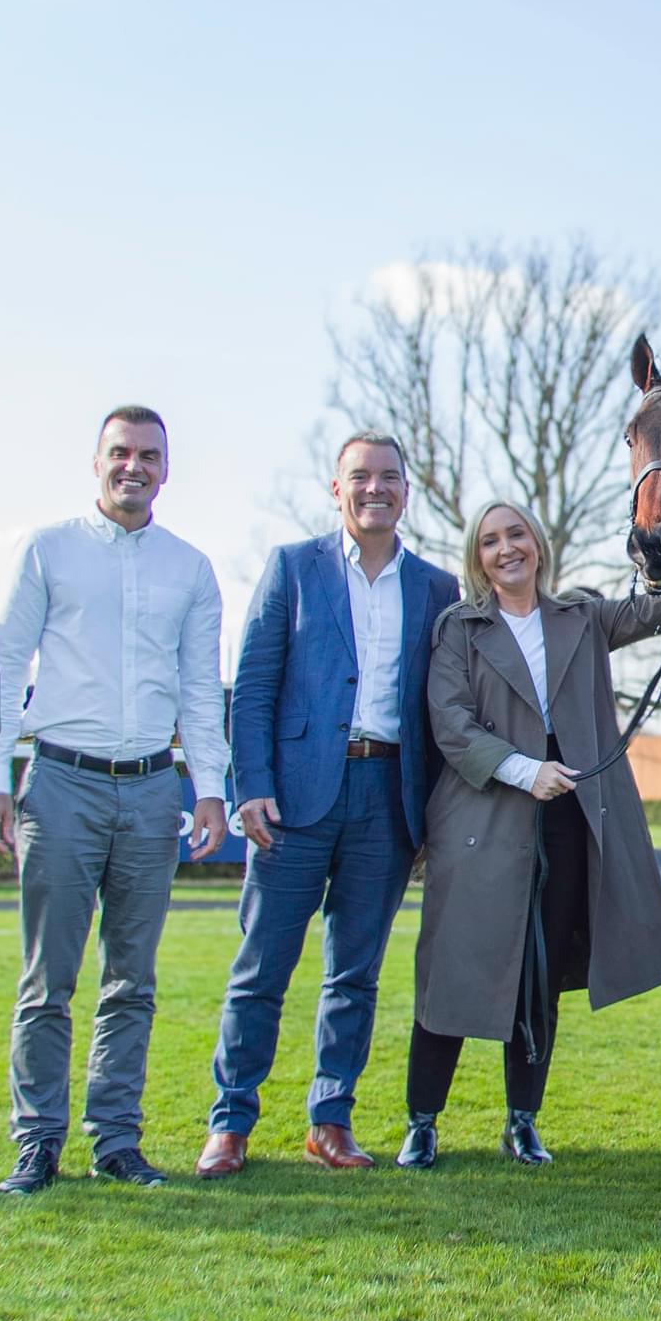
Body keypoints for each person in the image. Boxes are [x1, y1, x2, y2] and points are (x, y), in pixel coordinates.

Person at [197, 432, 459, 1176]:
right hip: (294, 800)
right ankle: (230, 1122)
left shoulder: (437, 590)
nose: (374, 489)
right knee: (262, 968)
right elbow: (252, 688)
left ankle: (330, 1120)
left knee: (355, 975)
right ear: (336, 489)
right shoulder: (292, 569)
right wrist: (252, 786)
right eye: (360, 478)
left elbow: (442, 707)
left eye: (388, 478)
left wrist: (431, 814)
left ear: (407, 491)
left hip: (388, 798)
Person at [0, 405, 231, 1194]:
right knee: (46, 981)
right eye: (120, 453)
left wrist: (210, 789)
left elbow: (201, 690)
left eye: (149, 455)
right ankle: (37, 1142)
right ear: (96, 462)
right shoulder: (47, 550)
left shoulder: (190, 569)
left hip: (152, 789)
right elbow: (3, 668)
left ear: (166, 468)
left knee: (133, 980)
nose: (135, 466)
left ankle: (117, 1140)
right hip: (59, 782)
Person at [400, 500, 661, 1168]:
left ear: (537, 544)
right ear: (478, 558)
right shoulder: (459, 629)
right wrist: (525, 770)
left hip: (567, 824)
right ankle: (422, 1120)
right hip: (481, 820)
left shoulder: (580, 616)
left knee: (541, 975)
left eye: (517, 535)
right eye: (492, 541)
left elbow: (657, 613)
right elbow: (452, 725)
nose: (507, 549)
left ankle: (522, 1119)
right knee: (453, 969)